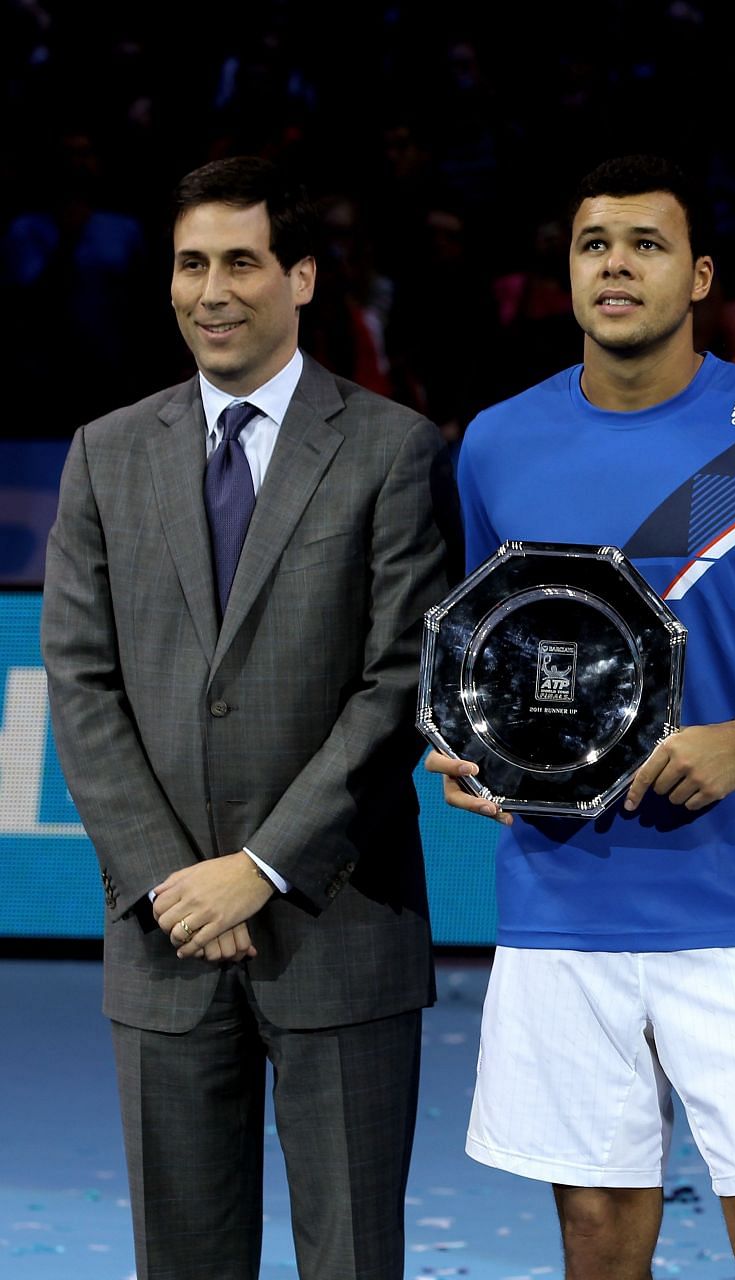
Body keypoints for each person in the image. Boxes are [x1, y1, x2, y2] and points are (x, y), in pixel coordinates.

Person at [426, 154, 735, 1280]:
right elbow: (494, 647)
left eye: (646, 243)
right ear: (568, 274)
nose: (616, 264)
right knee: (595, 1240)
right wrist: (465, 743)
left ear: (700, 278)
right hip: (562, 900)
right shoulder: (494, 443)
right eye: (594, 244)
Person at [40, 156, 446, 1277]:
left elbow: (398, 679)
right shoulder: (105, 454)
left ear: (302, 276)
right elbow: (79, 680)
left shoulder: (395, 450)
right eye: (189, 264)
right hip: (164, 934)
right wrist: (176, 877)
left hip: (341, 928)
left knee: (352, 1258)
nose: (210, 291)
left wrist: (260, 865)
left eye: (240, 262)